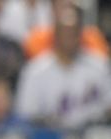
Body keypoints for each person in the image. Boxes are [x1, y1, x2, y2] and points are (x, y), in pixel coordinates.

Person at [14, 0, 111, 129]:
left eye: (73, 33)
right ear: (55, 35)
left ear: (80, 34)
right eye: (65, 33)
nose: (69, 38)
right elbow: (25, 115)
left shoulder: (100, 66)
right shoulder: (35, 71)